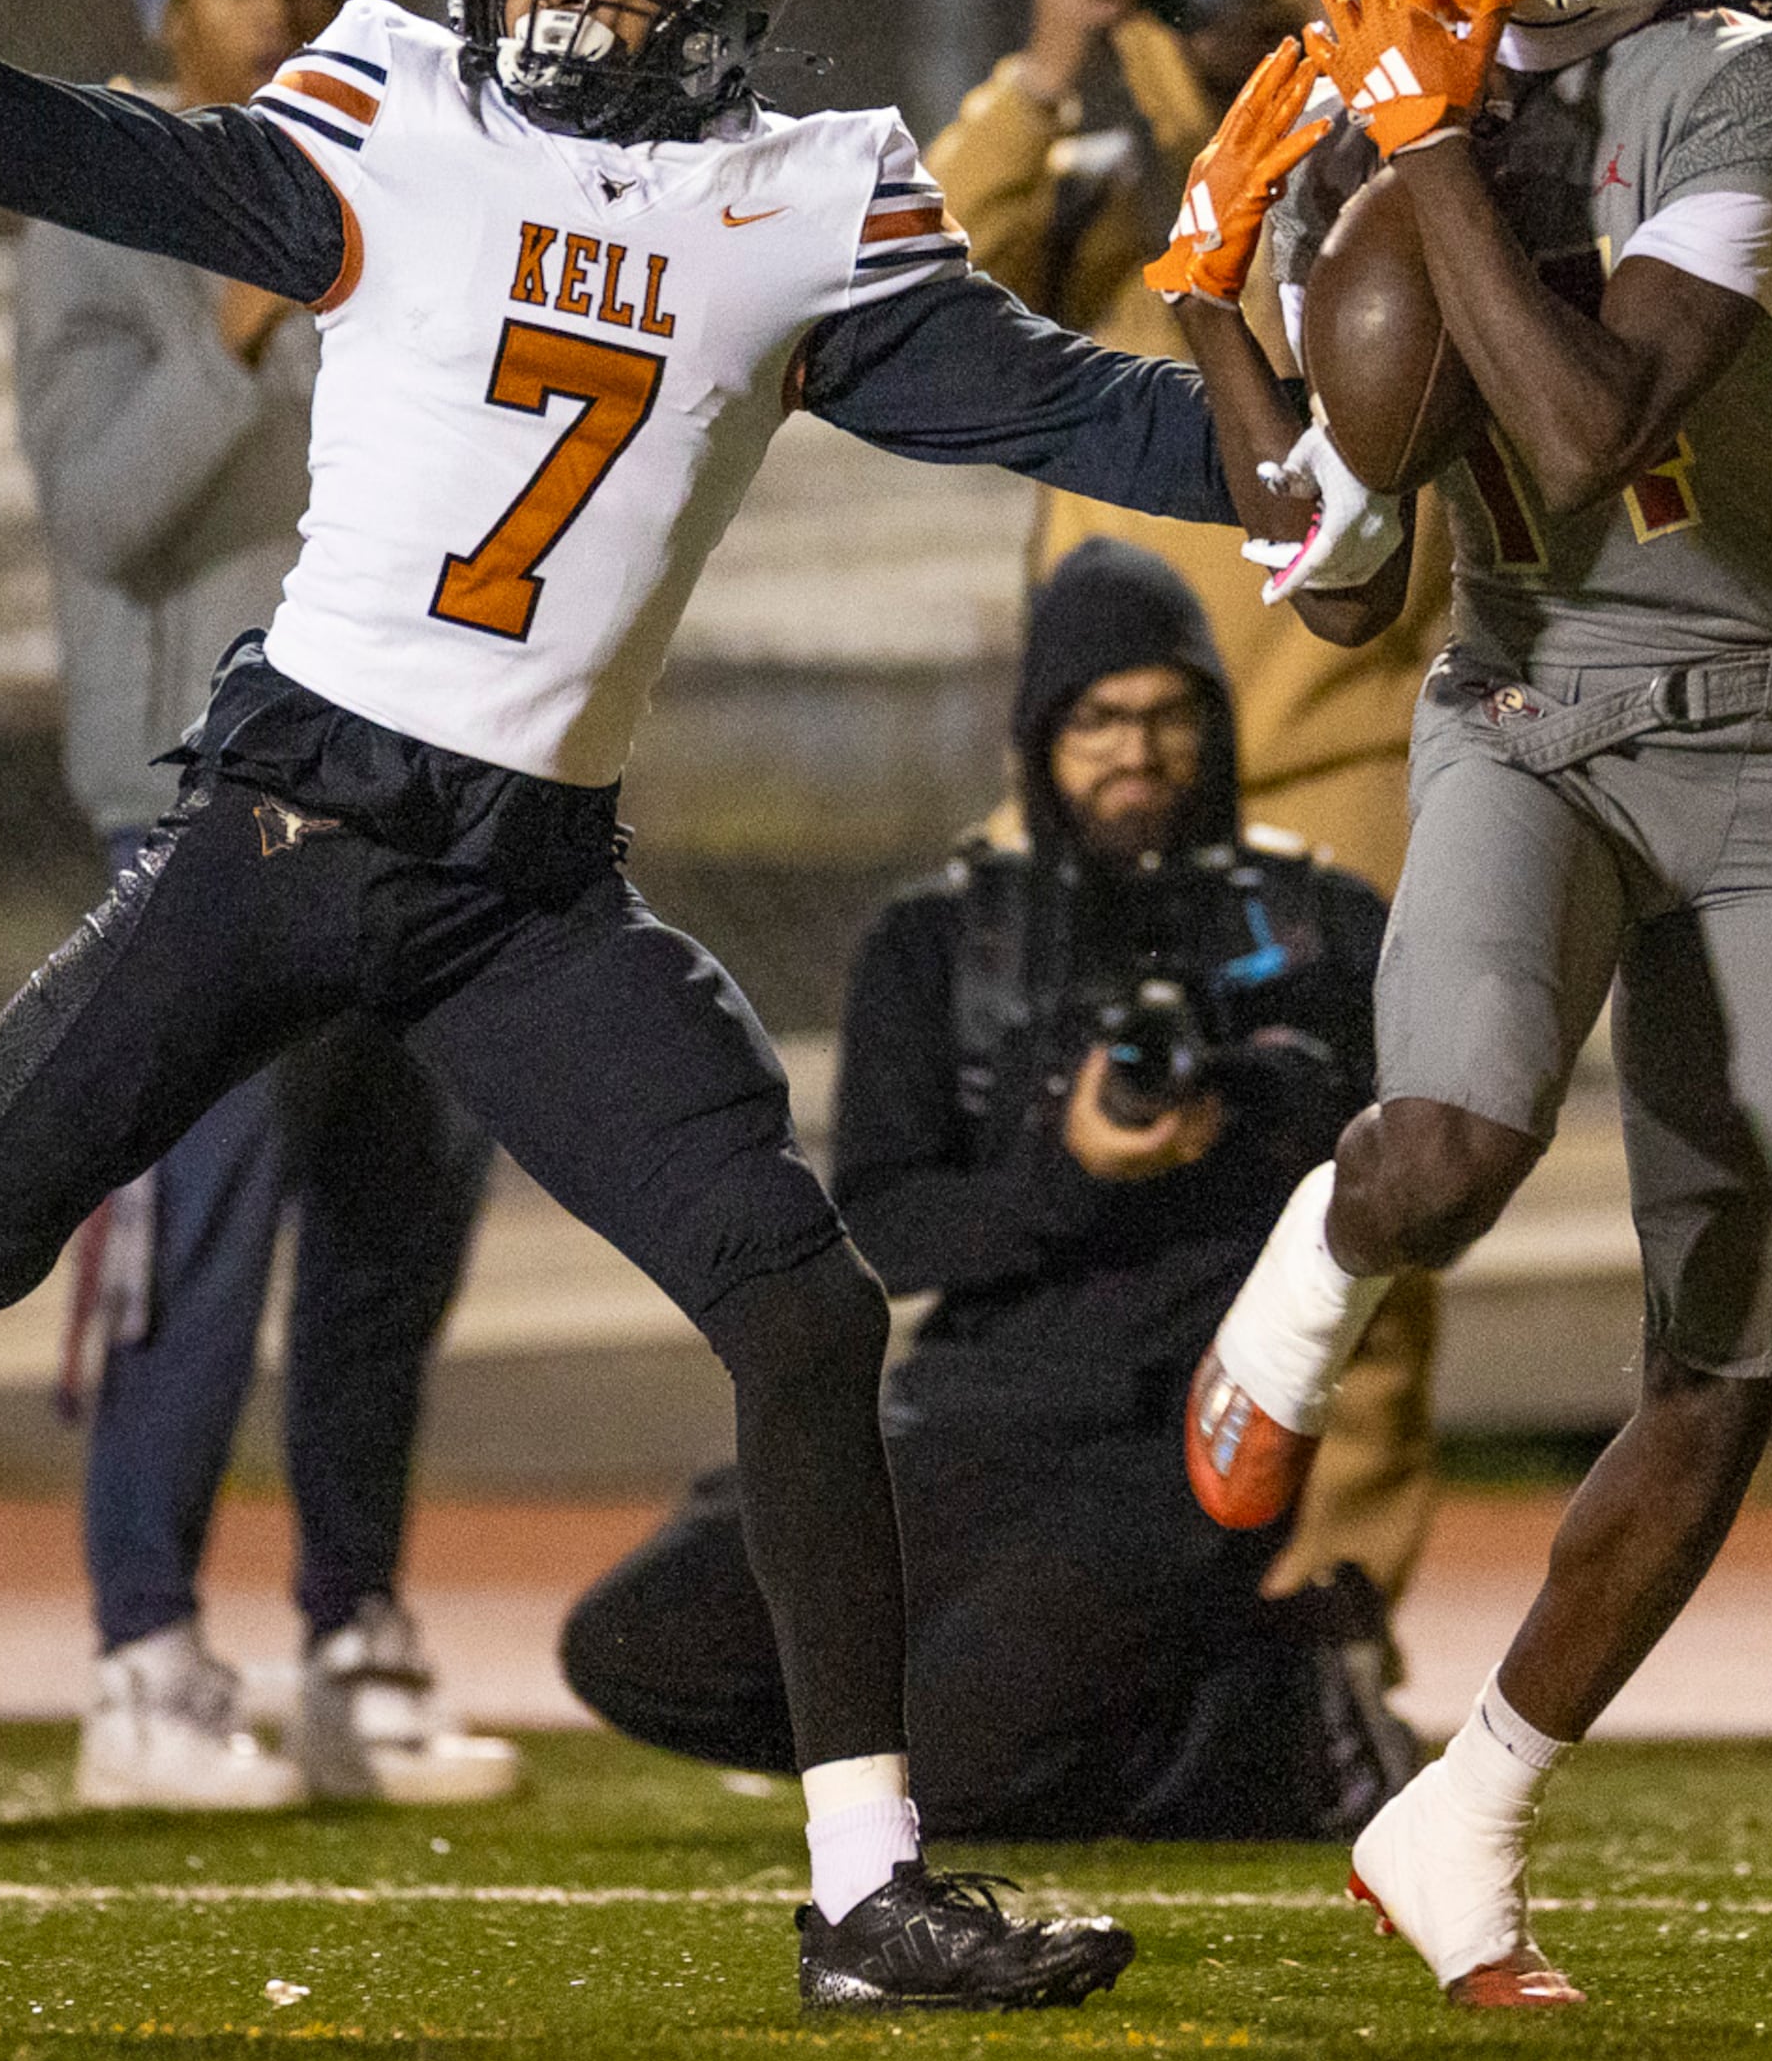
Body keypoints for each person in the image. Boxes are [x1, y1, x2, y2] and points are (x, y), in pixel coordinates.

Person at [0, 0, 1317, 2011]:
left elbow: (1087, 414)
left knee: (804, 1302)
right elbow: (58, 139)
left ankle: (868, 1892)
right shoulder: (390, 112)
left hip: (525, 889)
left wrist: (1322, 431)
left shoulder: (804, 201)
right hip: (283, 825)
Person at [1160, 0, 1772, 2004]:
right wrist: (1215, 301)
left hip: (1768, 745)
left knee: (1728, 1350)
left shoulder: (1757, 74)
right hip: (1521, 717)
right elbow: (1347, 571)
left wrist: (1428, 163)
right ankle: (1310, 1275)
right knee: (1454, 1145)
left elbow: (1585, 430)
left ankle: (1463, 1808)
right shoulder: (1399, 145)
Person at [560, 539, 1409, 1841]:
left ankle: (1280, 1715)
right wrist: (1067, 1174)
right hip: (962, 1428)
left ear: (1217, 720)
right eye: (1100, 719)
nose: (1138, 751)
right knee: (633, 1647)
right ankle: (1179, 1699)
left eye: (1172, 713)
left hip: (1171, 1447)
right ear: (1041, 733)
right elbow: (887, 1231)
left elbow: (1395, 1192)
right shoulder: (937, 942)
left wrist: (1246, 1112)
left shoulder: (1318, 929)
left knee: (946, 1776)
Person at [22, 0, 510, 1811]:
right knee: (194, 1240)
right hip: (201, 812)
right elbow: (105, 511)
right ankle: (142, 1655)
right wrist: (239, 315)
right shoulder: (100, 210)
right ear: (173, 9)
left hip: (405, 802)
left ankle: (348, 1638)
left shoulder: (407, 204)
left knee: (397, 1226)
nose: (283, 4)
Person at [927, 0, 1460, 1618]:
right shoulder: (1092, 170)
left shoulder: (1408, 141)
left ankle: (1333, 1624)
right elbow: (913, 288)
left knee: (1351, 1206)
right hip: (1100, 785)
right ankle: (1073, 1600)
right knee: (1065, 1175)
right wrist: (1050, 60)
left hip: (1342, 752)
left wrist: (1321, 39)